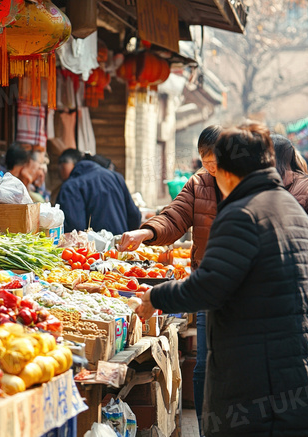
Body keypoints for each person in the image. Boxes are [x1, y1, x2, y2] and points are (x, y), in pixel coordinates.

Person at [134, 122, 308, 437]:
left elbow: (211, 285)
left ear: (227, 171)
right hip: (297, 382)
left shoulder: (242, 213)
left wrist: (156, 297)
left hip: (256, 387)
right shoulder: (290, 209)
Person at [118, 125, 222, 430]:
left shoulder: (248, 188)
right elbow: (174, 216)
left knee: (235, 368)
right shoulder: (199, 184)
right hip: (206, 287)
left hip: (242, 294)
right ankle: (207, 429)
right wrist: (145, 232)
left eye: (215, 161)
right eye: (205, 161)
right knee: (203, 367)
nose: (210, 167)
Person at [55, 153, 141, 235]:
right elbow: (135, 217)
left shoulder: (71, 186)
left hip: (94, 249)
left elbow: (74, 229)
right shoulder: (116, 177)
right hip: (121, 246)